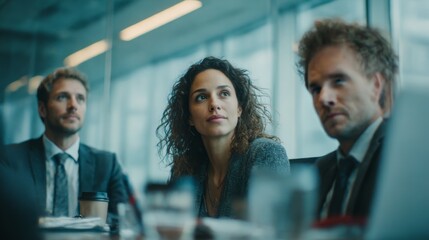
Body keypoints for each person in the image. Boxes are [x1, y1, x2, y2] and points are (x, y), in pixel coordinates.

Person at [156, 56, 290, 218]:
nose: (214, 104)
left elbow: (269, 232)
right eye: (201, 97)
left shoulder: (265, 153)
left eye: (224, 93)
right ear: (189, 117)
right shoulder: (186, 169)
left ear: (239, 108)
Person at [296, 19, 398, 220]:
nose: (324, 98)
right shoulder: (322, 169)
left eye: (339, 81)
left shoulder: (403, 158)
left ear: (375, 86)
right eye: (315, 89)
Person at [2, 67, 128, 224]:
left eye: (80, 98)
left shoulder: (107, 164)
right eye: (62, 97)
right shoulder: (10, 160)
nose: (73, 105)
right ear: (42, 109)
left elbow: (123, 219)